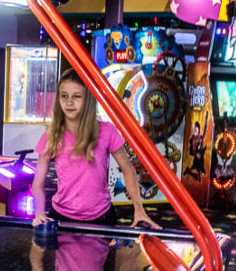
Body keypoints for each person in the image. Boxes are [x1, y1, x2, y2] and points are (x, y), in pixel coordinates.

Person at [32, 68, 160, 229]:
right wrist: (39, 213)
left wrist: (138, 208)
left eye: (76, 97)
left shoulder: (107, 131)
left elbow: (128, 169)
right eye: (64, 96)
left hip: (102, 217)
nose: (69, 102)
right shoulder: (52, 135)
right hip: (61, 216)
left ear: (87, 100)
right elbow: (38, 183)